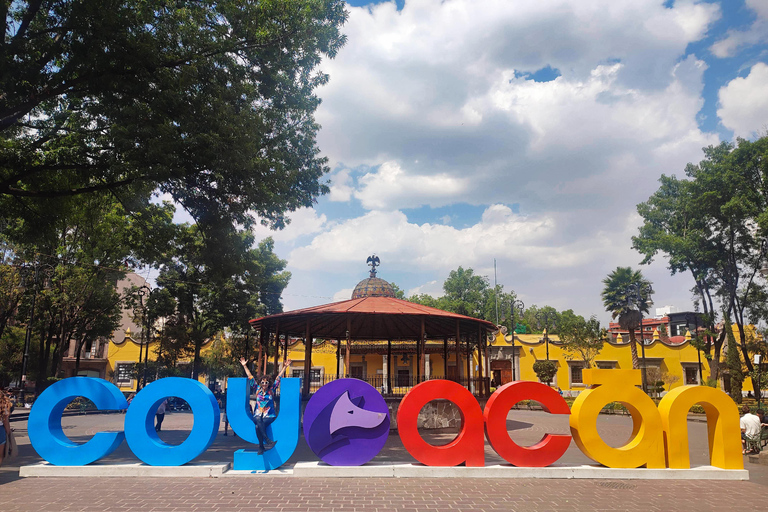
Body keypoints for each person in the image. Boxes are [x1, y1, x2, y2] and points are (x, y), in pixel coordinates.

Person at [239, 357, 291, 454]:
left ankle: (261, 446)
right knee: (258, 419)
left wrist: (285, 367)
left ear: (268, 383)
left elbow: (278, 379)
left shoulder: (271, 390)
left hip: (269, 415)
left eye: (266, 382)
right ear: (260, 383)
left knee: (257, 427)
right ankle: (267, 439)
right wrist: (244, 366)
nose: (264, 384)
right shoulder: (257, 389)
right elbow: (250, 376)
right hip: (257, 414)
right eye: (262, 382)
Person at [0, 388, 11, 467]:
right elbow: (5, 421)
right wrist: (8, 432)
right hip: (0, 430)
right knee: (0, 455)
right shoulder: (3, 407)